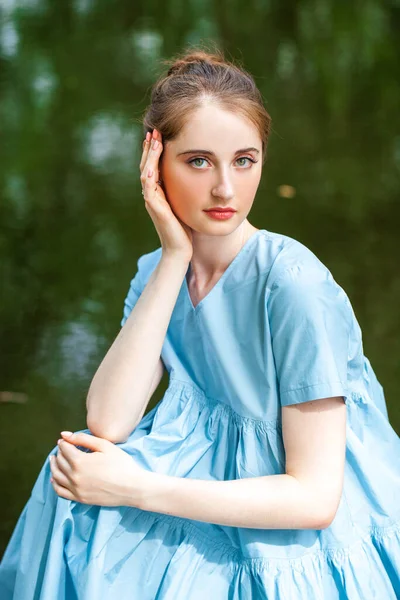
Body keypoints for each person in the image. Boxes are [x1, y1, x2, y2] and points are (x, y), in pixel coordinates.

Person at [1, 47, 399, 600]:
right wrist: (171, 258)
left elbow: (314, 498)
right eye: (198, 161)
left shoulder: (293, 285)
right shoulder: (157, 272)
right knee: (70, 475)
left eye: (244, 160)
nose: (225, 191)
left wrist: (139, 489)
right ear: (154, 161)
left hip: (293, 505)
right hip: (203, 468)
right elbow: (109, 420)